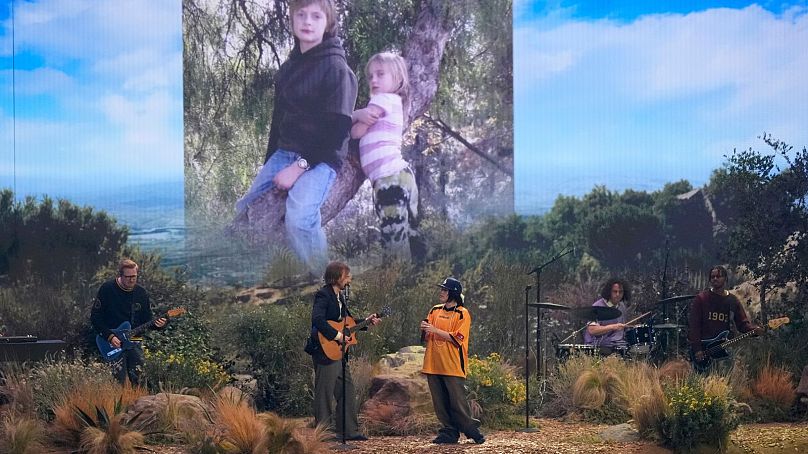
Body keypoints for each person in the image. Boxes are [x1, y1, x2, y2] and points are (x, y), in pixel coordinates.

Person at [235, 0, 358, 277]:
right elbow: (278, 124)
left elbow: (336, 131)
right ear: (291, 20)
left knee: (300, 218)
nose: (307, 21)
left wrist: (298, 167)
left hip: (322, 158)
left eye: (316, 16)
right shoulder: (289, 69)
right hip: (286, 152)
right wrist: (270, 166)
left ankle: (328, 285)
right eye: (301, 14)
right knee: (244, 206)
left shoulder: (338, 69)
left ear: (328, 23)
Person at [351, 52, 418, 262]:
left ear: (397, 79)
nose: (373, 80)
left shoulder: (383, 100)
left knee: (394, 235)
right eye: (370, 76)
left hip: (390, 177)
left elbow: (356, 132)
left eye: (380, 74)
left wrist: (354, 115)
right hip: (398, 175)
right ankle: (413, 274)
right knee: (404, 231)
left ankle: (400, 280)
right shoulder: (393, 102)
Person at [307, 261, 380, 440]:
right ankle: (323, 435)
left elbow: (347, 324)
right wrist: (338, 337)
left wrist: (367, 321)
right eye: (346, 276)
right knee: (324, 393)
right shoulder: (323, 295)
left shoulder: (340, 297)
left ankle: (349, 431)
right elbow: (317, 319)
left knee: (347, 390)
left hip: (339, 354)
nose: (349, 280)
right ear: (336, 277)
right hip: (325, 352)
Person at [420, 277, 485, 445]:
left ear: (454, 293)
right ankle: (449, 431)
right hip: (433, 364)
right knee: (440, 402)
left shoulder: (463, 313)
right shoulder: (434, 310)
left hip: (453, 365)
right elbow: (427, 338)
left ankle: (471, 429)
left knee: (458, 402)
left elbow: (457, 339)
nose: (441, 292)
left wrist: (435, 329)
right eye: (442, 289)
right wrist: (426, 330)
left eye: (445, 290)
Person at [91, 259, 166, 385]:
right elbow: (95, 317)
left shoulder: (141, 293)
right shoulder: (107, 289)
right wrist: (110, 336)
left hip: (135, 341)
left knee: (140, 381)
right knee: (117, 383)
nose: (131, 280)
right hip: (113, 341)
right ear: (120, 275)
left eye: (134, 276)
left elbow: (147, 320)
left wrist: (158, 325)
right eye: (128, 277)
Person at [688, 265, 763, 373]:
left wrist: (754, 330)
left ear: (725, 279)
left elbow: (742, 324)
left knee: (725, 384)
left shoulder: (732, 301)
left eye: (718, 276)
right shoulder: (701, 299)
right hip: (704, 351)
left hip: (724, 350)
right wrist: (697, 349)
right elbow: (694, 326)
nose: (715, 279)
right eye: (712, 277)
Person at [583, 278, 631, 355]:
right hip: (598, 345)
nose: (618, 294)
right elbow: (592, 330)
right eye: (615, 291)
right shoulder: (597, 307)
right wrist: (612, 327)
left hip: (617, 344)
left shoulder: (622, 306)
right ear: (609, 292)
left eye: (621, 292)